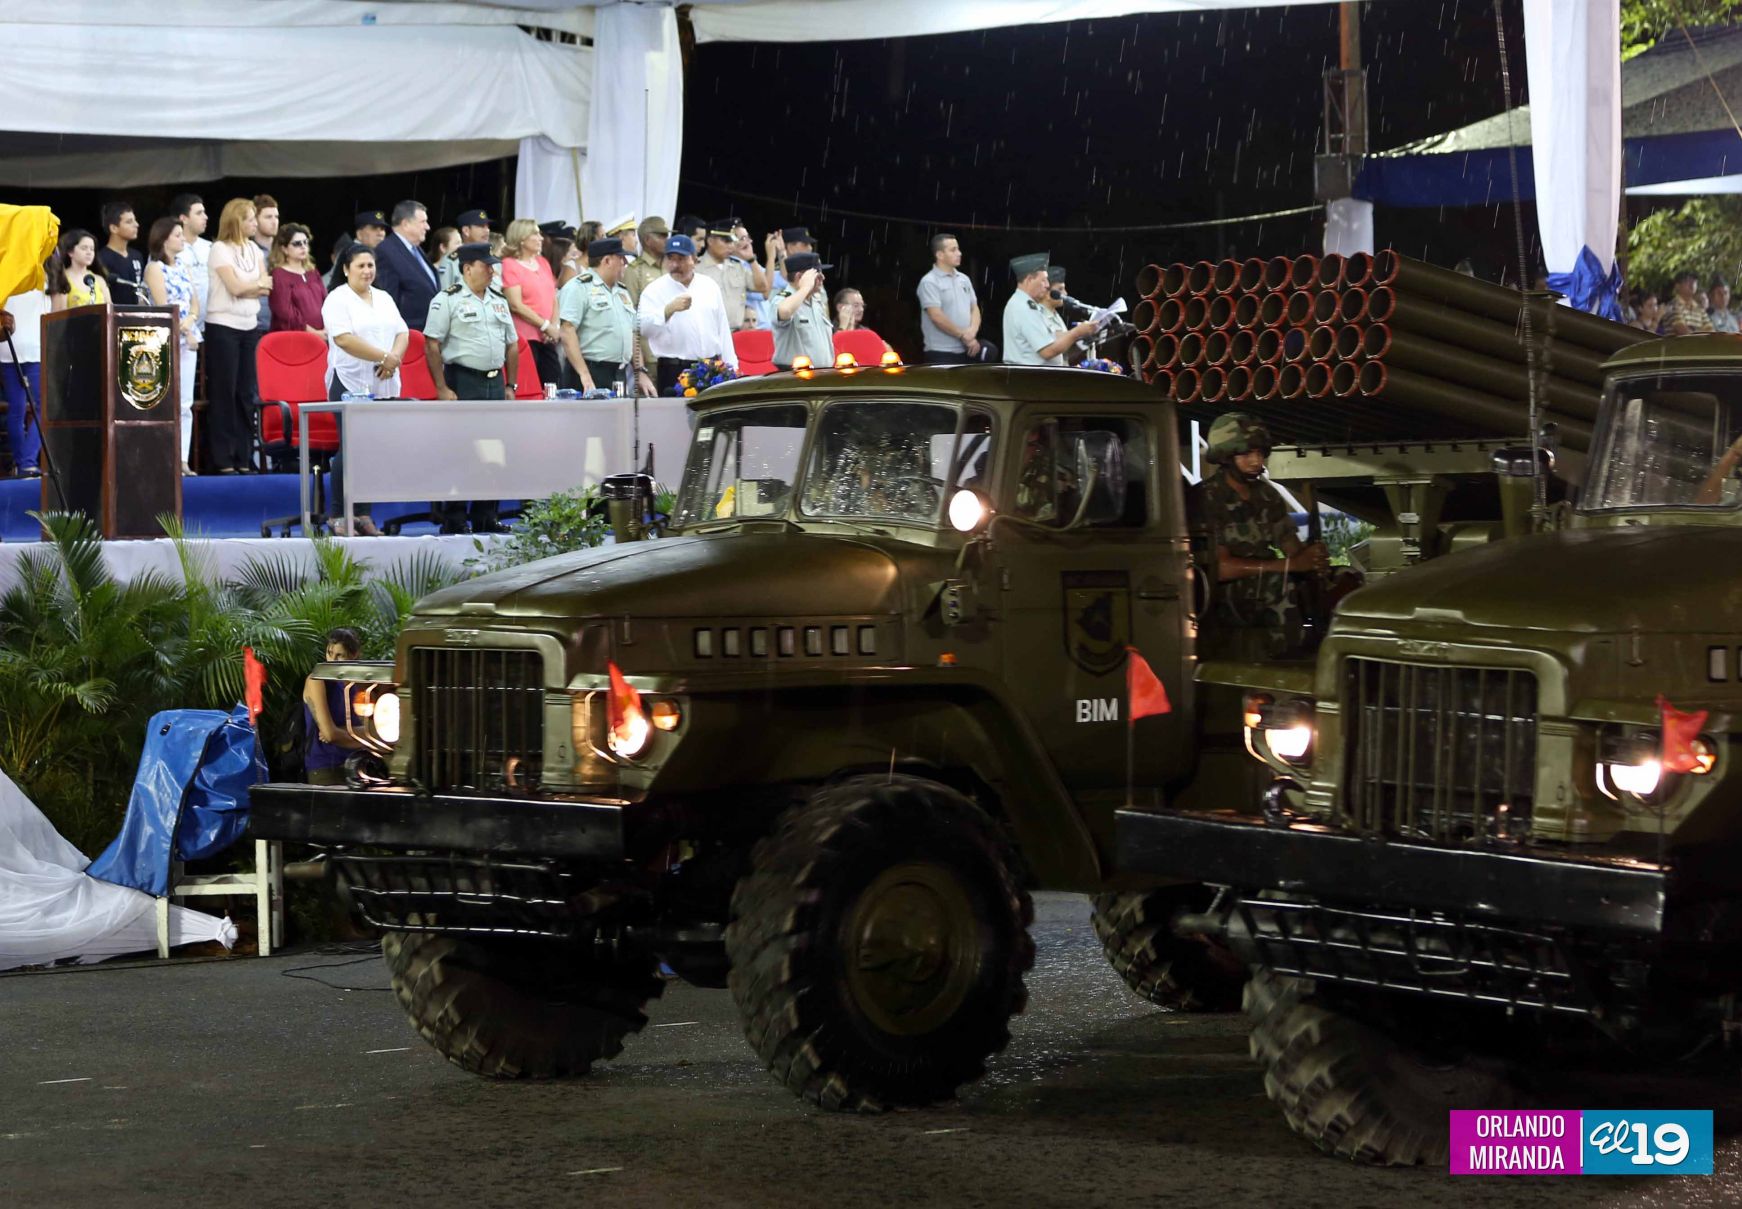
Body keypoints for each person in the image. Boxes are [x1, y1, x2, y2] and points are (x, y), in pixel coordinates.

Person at [1192, 412, 1328, 632]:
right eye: (1246, 454)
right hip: (1221, 593)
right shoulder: (1206, 498)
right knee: (1277, 586)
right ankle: (1287, 659)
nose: (1256, 461)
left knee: (1343, 579)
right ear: (1226, 456)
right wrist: (1289, 566)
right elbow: (1221, 568)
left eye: (1260, 453)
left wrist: (1312, 559)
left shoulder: (1267, 495)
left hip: (1268, 578)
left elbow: (1290, 544)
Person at [423, 243, 519, 535]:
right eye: (485, 265)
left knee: (494, 450)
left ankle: (486, 514)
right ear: (467, 268)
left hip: (495, 381)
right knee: (461, 449)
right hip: (463, 379)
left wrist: (511, 384)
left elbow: (512, 344)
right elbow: (431, 343)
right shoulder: (447, 300)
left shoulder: (499, 300)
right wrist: (441, 387)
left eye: (492, 265)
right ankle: (454, 517)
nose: (492, 270)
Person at [320, 243, 409, 536]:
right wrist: (384, 357)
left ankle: (363, 515)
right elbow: (344, 339)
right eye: (360, 266)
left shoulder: (383, 297)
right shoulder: (337, 298)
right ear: (346, 269)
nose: (367, 271)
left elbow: (402, 331)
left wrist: (393, 358)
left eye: (370, 265)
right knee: (350, 448)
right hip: (350, 381)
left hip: (383, 381)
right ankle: (337, 515)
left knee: (372, 449)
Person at [205, 199, 271, 473]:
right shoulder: (220, 249)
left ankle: (244, 458)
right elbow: (234, 287)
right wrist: (253, 286)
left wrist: (251, 287)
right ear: (236, 221)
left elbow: (267, 287)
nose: (255, 223)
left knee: (246, 392)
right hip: (223, 326)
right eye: (250, 219)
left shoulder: (254, 249)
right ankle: (223, 458)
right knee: (224, 392)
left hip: (249, 326)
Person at [637, 233, 738, 394]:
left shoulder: (709, 286)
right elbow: (643, 328)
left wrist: (732, 367)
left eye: (681, 259)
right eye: (671, 258)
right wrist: (667, 311)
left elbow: (723, 329)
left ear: (694, 259)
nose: (675, 264)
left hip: (710, 369)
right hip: (673, 370)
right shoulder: (654, 290)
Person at [142, 217, 202, 473]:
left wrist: (188, 324)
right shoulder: (155, 267)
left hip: (188, 334)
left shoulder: (184, 267)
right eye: (178, 234)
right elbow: (162, 304)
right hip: (165, 337)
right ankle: (163, 457)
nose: (182, 239)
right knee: (165, 400)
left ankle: (183, 459)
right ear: (164, 238)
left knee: (185, 402)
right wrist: (182, 326)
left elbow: (195, 303)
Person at [558, 236, 649, 395]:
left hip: (619, 373)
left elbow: (632, 332)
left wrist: (639, 370)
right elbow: (567, 330)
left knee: (618, 419)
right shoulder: (579, 287)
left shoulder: (622, 291)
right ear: (607, 261)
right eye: (621, 258)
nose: (625, 263)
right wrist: (584, 374)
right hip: (590, 371)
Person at [1003, 253, 1099, 366]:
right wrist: (1077, 333)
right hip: (1029, 378)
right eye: (1043, 280)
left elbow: (1052, 337)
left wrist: (1082, 330)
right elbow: (1047, 351)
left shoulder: (1026, 304)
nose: (1047, 285)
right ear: (1029, 279)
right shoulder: (1024, 307)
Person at [500, 218, 561, 388]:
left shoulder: (542, 263)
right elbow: (515, 305)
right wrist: (545, 326)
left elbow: (553, 297)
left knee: (553, 385)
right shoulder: (509, 265)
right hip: (526, 339)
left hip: (547, 338)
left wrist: (554, 326)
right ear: (521, 238)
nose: (541, 238)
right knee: (528, 386)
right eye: (535, 233)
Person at [303, 628, 365, 785]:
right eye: (329, 654)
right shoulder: (317, 680)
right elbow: (329, 735)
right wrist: (367, 738)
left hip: (359, 765)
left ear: (354, 654)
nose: (332, 660)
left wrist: (341, 731)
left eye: (339, 656)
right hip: (326, 768)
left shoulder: (361, 684)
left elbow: (376, 731)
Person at [918, 233, 994, 363]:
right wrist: (963, 335)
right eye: (953, 250)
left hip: (966, 348)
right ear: (939, 255)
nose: (959, 253)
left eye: (958, 249)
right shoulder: (929, 282)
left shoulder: (964, 279)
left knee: (990, 350)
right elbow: (936, 316)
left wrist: (972, 332)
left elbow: (974, 308)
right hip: (941, 352)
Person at [0, 288, 46, 477]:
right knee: (44, 408)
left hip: (6, 347)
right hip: (35, 348)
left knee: (16, 410)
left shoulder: (7, 273)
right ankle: (27, 462)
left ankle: (20, 463)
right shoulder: (40, 274)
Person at [371, 199, 438, 330]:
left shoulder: (416, 249)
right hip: (408, 333)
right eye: (423, 222)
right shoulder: (385, 251)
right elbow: (388, 300)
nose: (428, 227)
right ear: (406, 224)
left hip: (428, 330)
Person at [769, 252, 835, 370]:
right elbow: (784, 311)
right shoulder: (784, 299)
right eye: (817, 275)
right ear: (799, 277)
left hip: (823, 374)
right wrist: (805, 287)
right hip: (796, 375)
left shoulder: (815, 301)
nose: (823, 278)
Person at [696, 218, 757, 332]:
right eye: (726, 241)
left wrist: (752, 259)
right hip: (707, 331)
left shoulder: (737, 266)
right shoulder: (696, 268)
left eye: (732, 241)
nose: (731, 246)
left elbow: (763, 288)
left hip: (735, 333)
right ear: (710, 241)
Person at [269, 223, 327, 336]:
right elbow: (285, 312)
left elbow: (326, 302)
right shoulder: (279, 274)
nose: (303, 246)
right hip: (293, 338)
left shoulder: (312, 272)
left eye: (305, 242)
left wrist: (326, 328)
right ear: (284, 249)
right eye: (297, 244)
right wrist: (313, 333)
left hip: (322, 334)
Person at [171, 194, 212, 335]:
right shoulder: (170, 249)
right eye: (199, 213)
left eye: (204, 212)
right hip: (182, 326)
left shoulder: (210, 247)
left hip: (211, 324)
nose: (205, 217)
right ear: (184, 218)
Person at [47, 229, 110, 310]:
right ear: (70, 252)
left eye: (92, 249)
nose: (89, 252)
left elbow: (110, 309)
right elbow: (58, 315)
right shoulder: (62, 279)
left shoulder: (99, 280)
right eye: (84, 248)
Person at [97, 201, 146, 305]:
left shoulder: (137, 256)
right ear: (114, 228)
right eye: (129, 222)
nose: (136, 225)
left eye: (135, 220)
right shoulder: (101, 258)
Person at [327, 210, 388, 290]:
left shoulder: (380, 253)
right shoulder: (350, 251)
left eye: (382, 229)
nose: (380, 233)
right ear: (359, 234)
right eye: (374, 228)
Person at [437, 209, 496, 290]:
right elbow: (444, 294)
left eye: (487, 226)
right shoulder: (451, 262)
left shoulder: (493, 259)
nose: (487, 230)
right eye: (481, 226)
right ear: (466, 231)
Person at [251, 194, 280, 340]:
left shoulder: (285, 249)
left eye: (276, 216)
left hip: (282, 325)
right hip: (256, 325)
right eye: (268, 217)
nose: (274, 222)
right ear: (255, 220)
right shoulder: (247, 250)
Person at [1662, 270, 1714, 336]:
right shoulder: (1672, 306)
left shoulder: (1699, 308)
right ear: (1677, 286)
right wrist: (1702, 331)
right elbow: (1683, 331)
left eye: (1694, 281)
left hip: (1698, 345)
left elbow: (1710, 330)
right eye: (1687, 281)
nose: (1692, 284)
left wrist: (1695, 331)